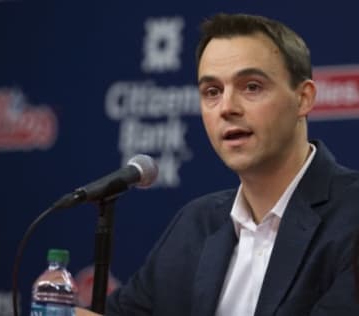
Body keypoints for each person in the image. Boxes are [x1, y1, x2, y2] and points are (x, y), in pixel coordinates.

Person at [77, 13, 359, 315]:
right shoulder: (194, 225)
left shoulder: (351, 216)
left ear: (303, 99)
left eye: (251, 87)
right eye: (212, 92)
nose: (227, 108)